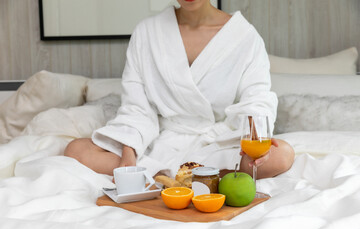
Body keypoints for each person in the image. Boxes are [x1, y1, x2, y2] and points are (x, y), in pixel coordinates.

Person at [65, 0, 294, 179]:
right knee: (76, 149)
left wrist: (255, 140)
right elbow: (136, 106)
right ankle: (198, 176)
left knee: (282, 155)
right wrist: (129, 153)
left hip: (215, 143)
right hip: (163, 141)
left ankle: (167, 176)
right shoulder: (147, 32)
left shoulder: (245, 37)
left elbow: (257, 99)